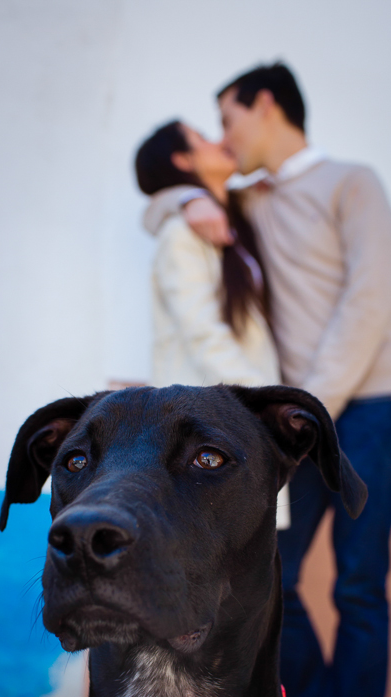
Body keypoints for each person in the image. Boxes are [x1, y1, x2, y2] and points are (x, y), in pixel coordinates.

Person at [146, 63, 391, 697]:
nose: (226, 139)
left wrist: (309, 418)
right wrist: (178, 196)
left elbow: (369, 302)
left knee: (359, 586)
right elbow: (166, 202)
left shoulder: (351, 182)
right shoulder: (250, 200)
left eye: (228, 118)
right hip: (296, 427)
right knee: (275, 578)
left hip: (367, 407)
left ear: (265, 104)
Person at [135, 119, 289, 528]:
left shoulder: (231, 219)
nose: (221, 139)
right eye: (204, 137)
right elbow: (203, 334)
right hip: (208, 423)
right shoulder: (180, 235)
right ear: (183, 160)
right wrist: (266, 402)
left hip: (234, 416)